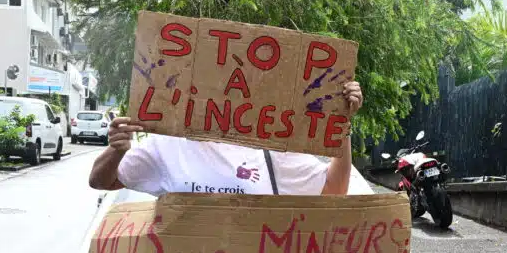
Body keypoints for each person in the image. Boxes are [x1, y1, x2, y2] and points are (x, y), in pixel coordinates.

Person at [89, 81, 363, 196]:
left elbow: (334, 190)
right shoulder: (166, 144)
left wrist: (342, 125)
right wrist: (117, 150)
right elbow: (100, 181)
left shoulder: (268, 148)